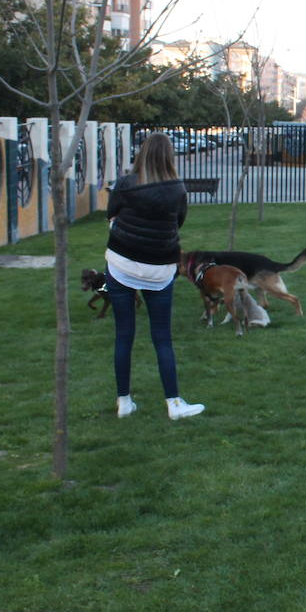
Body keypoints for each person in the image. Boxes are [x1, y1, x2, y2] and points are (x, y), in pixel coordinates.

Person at [104, 132, 205, 420]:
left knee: (124, 335)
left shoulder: (125, 184)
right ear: (169, 156)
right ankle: (173, 404)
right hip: (160, 270)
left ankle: (123, 402)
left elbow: (111, 213)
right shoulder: (178, 190)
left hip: (121, 266)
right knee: (162, 337)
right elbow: (179, 221)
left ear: (142, 153)